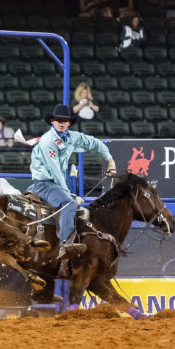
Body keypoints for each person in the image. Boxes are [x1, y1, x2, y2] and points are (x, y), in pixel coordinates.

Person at [27, 104, 117, 260]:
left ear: (69, 122)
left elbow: (94, 142)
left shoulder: (72, 137)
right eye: (58, 120)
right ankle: (64, 244)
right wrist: (68, 194)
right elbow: (55, 172)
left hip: (53, 184)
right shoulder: (48, 141)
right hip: (45, 184)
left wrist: (110, 160)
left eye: (65, 120)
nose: (61, 123)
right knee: (69, 204)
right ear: (53, 122)